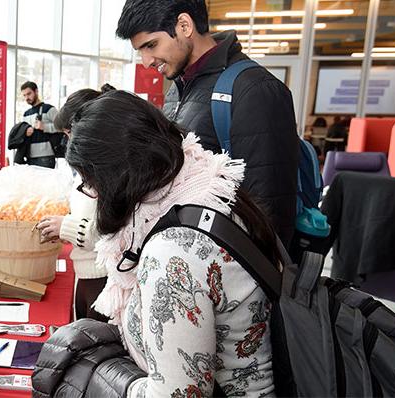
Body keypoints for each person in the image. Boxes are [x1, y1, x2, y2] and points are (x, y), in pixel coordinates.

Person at [66, 91, 280, 396]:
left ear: (116, 177)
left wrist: (104, 376)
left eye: (91, 182)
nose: (94, 195)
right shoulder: (207, 191)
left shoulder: (172, 252)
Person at [117, 0, 299, 244]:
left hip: (230, 266)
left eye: (151, 45)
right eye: (140, 50)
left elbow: (270, 208)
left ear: (184, 25)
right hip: (186, 254)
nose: (146, 61)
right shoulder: (179, 87)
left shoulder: (254, 89)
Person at [35, 86, 114, 321]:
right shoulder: (88, 166)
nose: (69, 140)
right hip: (87, 275)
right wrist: (65, 230)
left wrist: (66, 227)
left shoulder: (110, 169)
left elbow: (110, 232)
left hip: (105, 279)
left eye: (70, 133)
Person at [14, 81, 63, 168]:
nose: (27, 98)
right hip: (29, 157)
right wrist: (25, 132)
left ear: (36, 91)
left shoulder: (49, 109)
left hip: (45, 157)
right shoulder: (26, 114)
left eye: (29, 94)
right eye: (24, 95)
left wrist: (45, 127)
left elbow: (62, 127)